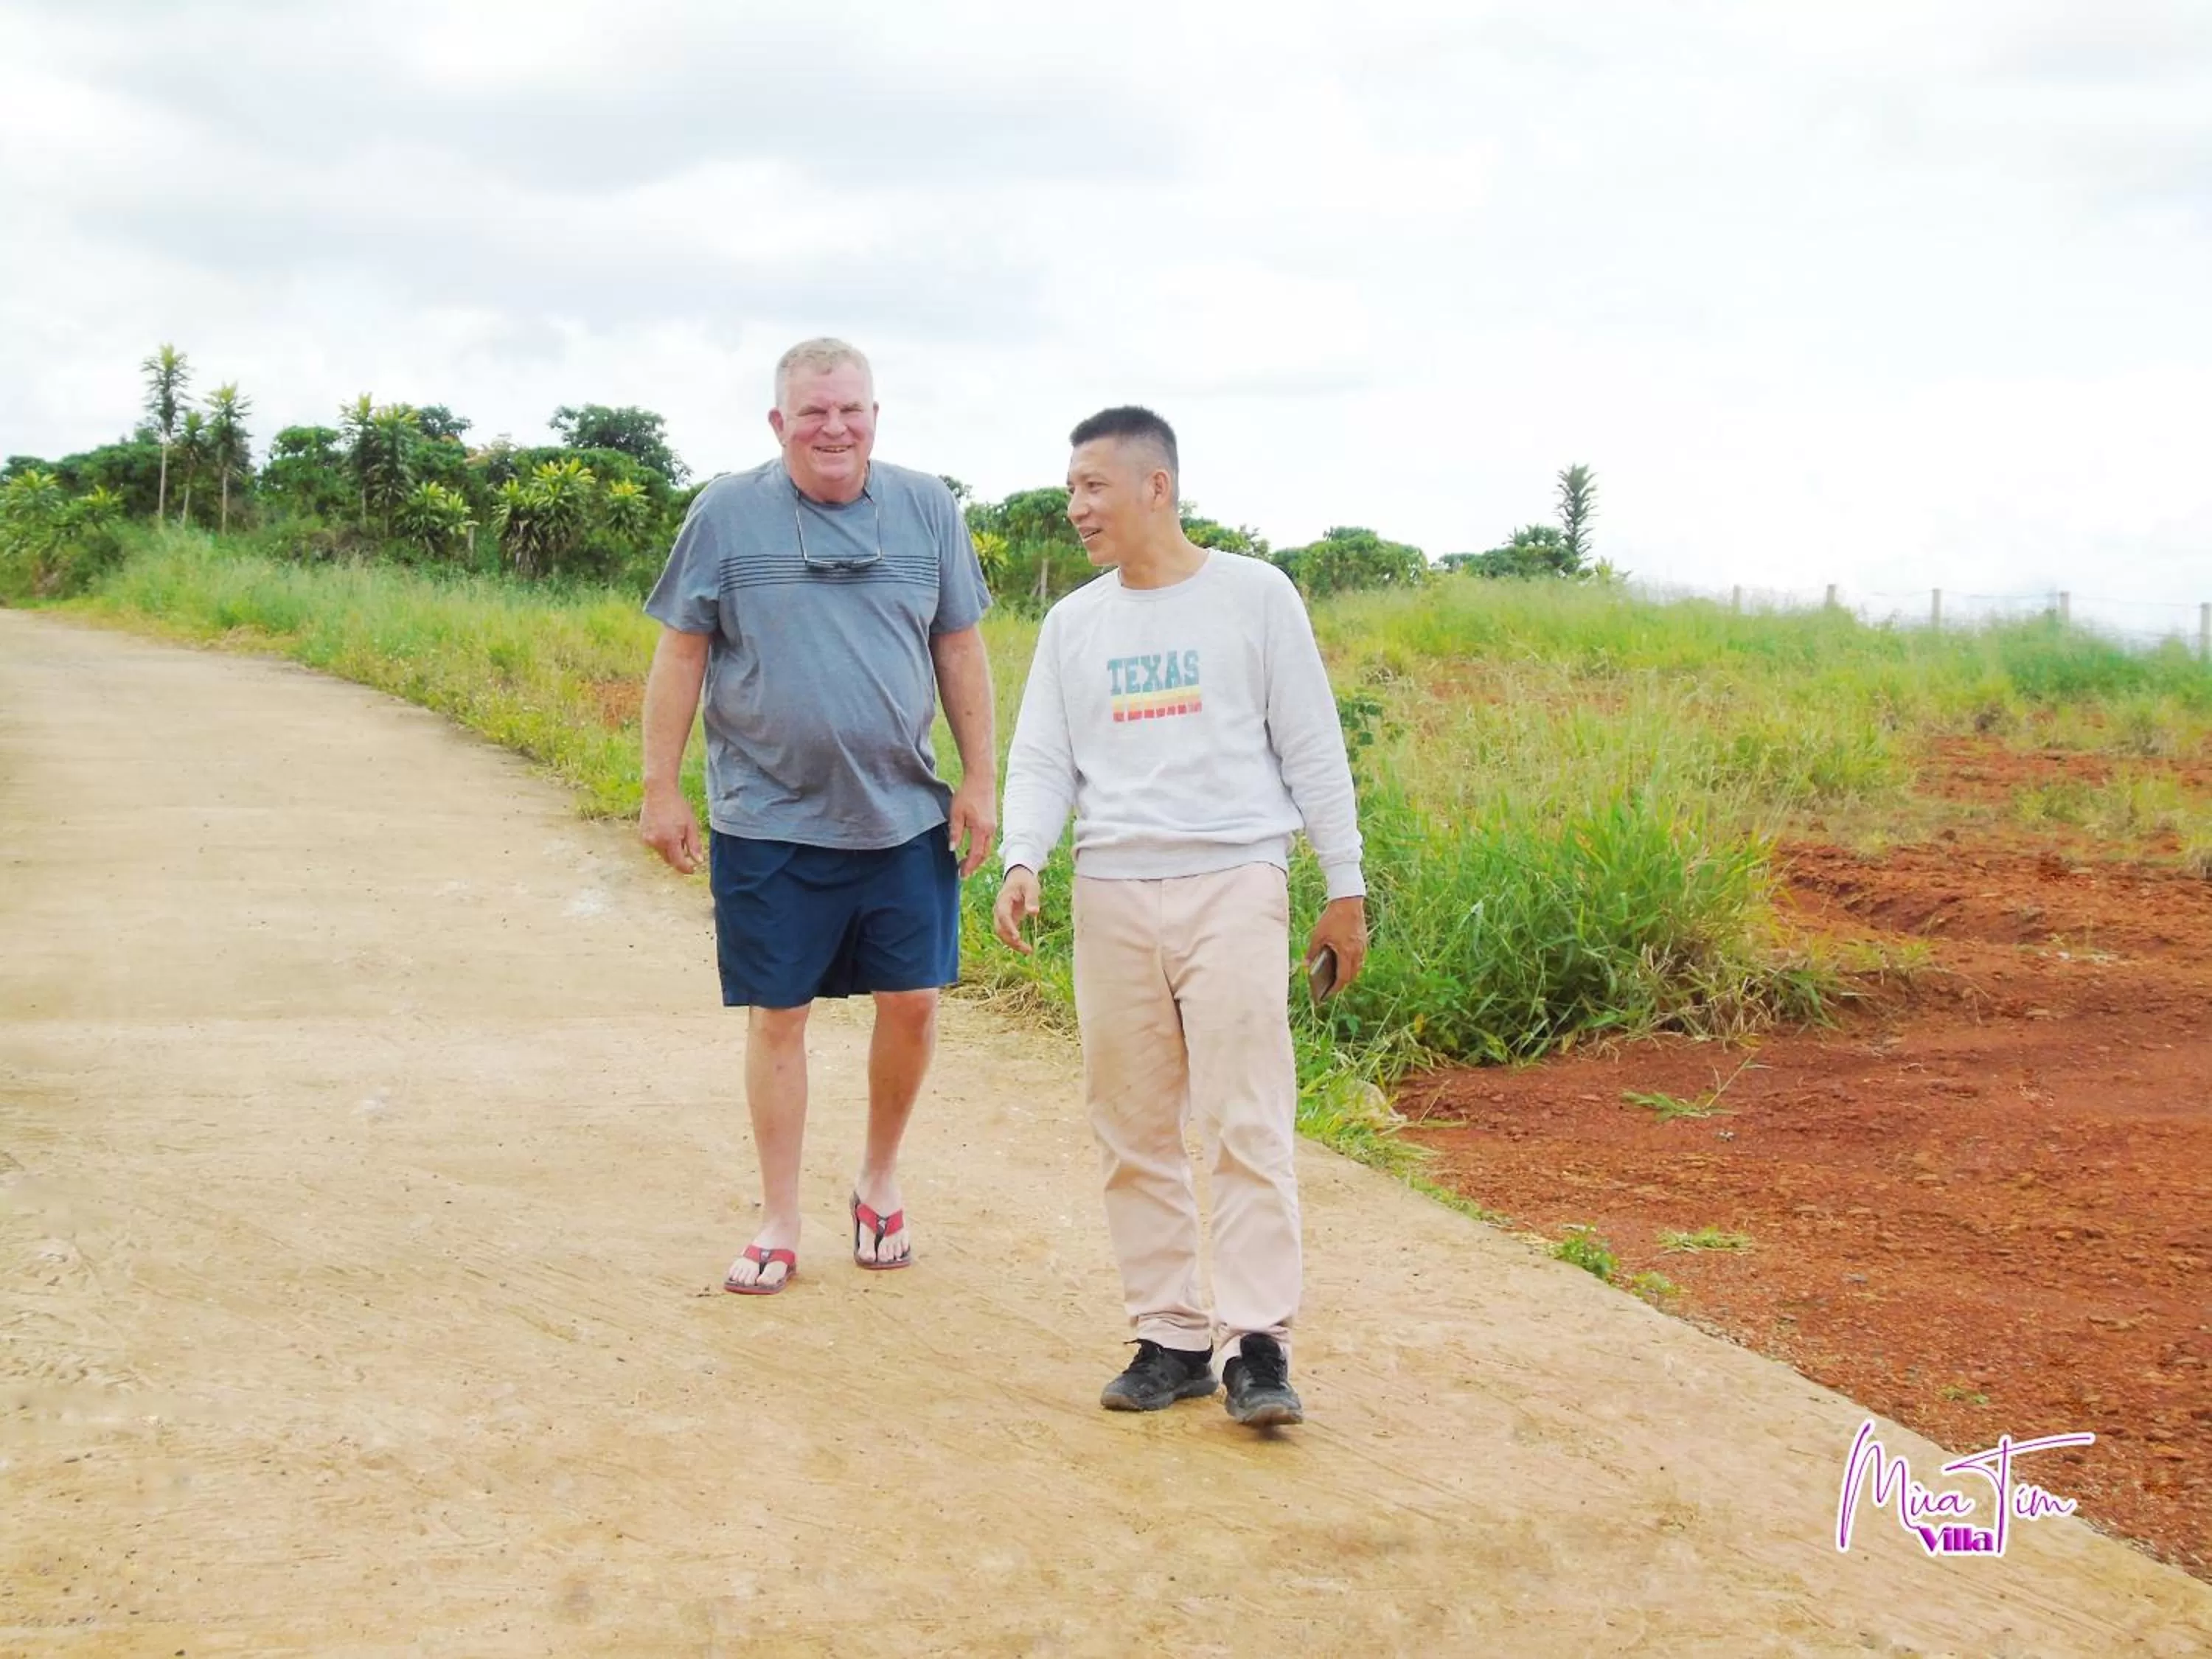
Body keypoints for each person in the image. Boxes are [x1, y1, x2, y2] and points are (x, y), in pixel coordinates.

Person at [993, 406, 1367, 1427]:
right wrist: (1022, 856)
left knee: (1247, 1113)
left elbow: (1313, 747)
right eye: (1071, 489)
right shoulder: (1075, 624)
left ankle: (1257, 1341)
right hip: (1114, 887)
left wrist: (1347, 887)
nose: (1077, 508)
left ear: (1157, 486)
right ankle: (1169, 1335)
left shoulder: (1254, 597)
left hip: (1234, 879)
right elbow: (1041, 758)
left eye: (1093, 487)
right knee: (1131, 1121)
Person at [639, 338, 996, 1295]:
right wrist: (660, 788)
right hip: (768, 818)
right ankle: (779, 1215)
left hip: (903, 812)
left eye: (851, 410)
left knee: (914, 1003)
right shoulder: (724, 513)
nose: (833, 428)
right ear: (778, 422)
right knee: (778, 1017)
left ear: (876, 415)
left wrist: (981, 780)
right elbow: (681, 655)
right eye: (812, 413)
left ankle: (879, 1175)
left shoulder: (928, 509)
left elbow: (960, 649)